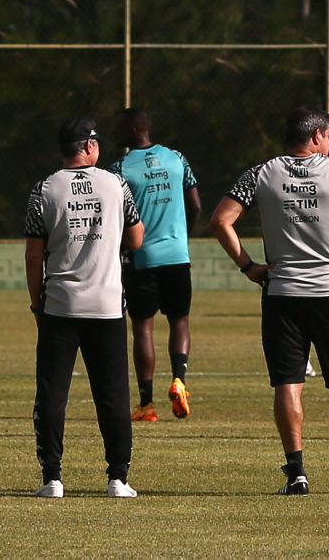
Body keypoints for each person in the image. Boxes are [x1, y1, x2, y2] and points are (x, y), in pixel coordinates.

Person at [211, 105, 329, 495]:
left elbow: (221, 220)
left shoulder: (262, 173)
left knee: (288, 383)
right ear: (316, 136)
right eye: (328, 137)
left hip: (282, 293)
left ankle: (296, 474)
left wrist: (249, 267)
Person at [23, 114, 143, 498]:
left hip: (59, 305)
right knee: (112, 395)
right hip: (106, 304)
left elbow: (33, 254)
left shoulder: (43, 189)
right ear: (90, 146)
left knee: (52, 393)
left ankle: (52, 478)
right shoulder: (115, 183)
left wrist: (35, 302)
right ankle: (118, 478)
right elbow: (137, 239)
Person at [114, 107, 200, 422]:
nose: (116, 133)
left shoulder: (120, 168)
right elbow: (196, 204)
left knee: (143, 328)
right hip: (178, 254)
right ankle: (179, 380)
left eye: (121, 127)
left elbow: (116, 216)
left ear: (136, 129)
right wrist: (181, 237)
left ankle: (147, 404)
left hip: (142, 258)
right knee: (179, 322)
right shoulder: (178, 158)